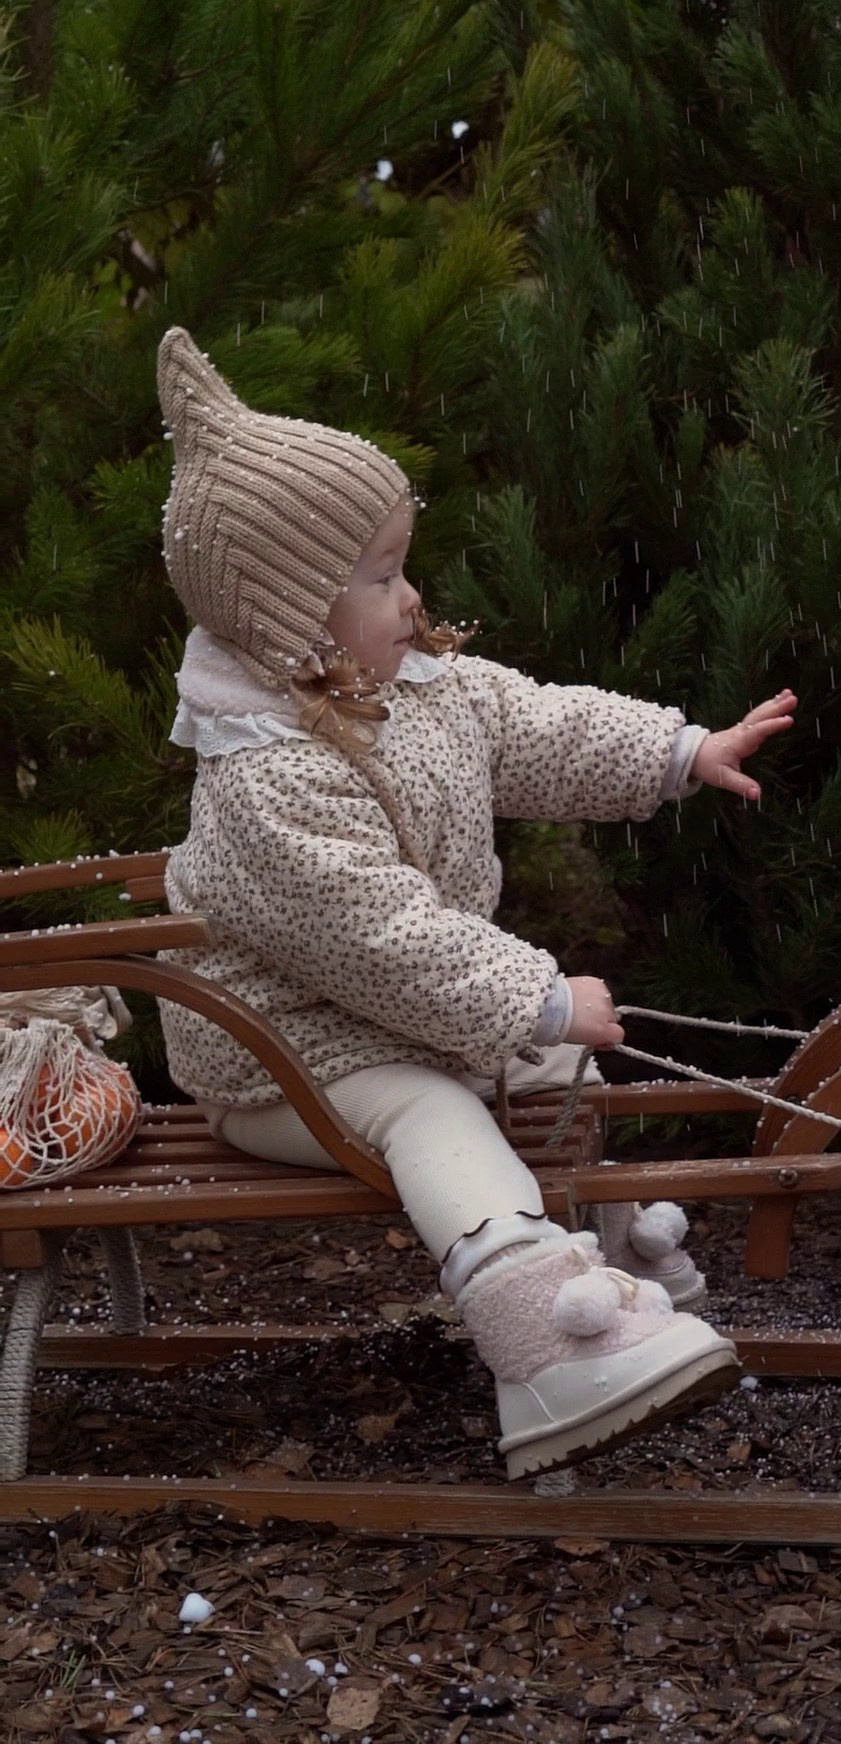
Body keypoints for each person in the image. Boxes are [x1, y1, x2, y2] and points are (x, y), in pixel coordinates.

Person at [155, 326, 796, 1479]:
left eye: (405, 563)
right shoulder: (268, 773)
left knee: (558, 1074)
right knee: (433, 1114)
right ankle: (544, 1349)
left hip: (384, 1013)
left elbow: (534, 724)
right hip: (284, 1052)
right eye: (380, 575)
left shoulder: (414, 694)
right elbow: (374, 936)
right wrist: (535, 995)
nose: (409, 597)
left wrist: (678, 749)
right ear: (287, 612)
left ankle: (608, 1271)